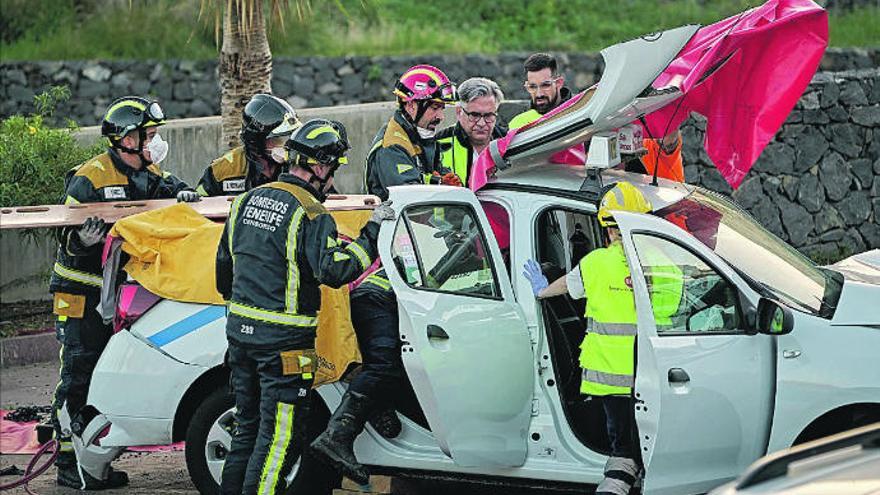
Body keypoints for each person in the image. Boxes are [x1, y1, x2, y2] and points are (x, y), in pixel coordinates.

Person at [215, 118, 394, 495]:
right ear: (320, 166)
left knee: (246, 431)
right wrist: (373, 232)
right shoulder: (311, 213)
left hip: (240, 337)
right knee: (279, 440)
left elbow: (223, 274)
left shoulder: (245, 202)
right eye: (334, 170)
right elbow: (335, 271)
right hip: (284, 345)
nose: (333, 182)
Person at [50, 96, 198, 489]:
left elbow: (172, 189)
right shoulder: (90, 177)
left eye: (154, 134)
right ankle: (68, 462)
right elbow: (63, 235)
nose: (154, 142)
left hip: (113, 293)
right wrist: (82, 240)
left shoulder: (148, 171)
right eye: (148, 135)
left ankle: (93, 457)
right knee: (77, 375)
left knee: (104, 377)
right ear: (125, 139)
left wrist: (184, 195)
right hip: (79, 293)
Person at [522, 182, 680, 495]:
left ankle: (621, 473)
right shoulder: (665, 264)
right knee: (652, 437)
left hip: (608, 376)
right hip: (654, 374)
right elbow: (676, 310)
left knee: (620, 439)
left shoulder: (595, 263)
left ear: (606, 228)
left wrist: (541, 289)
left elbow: (567, 286)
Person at [364, 64, 461, 201]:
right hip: (391, 221)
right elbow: (408, 194)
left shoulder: (418, 136)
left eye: (442, 109)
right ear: (411, 106)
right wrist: (439, 182)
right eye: (434, 108)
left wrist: (448, 178)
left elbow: (434, 171)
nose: (440, 117)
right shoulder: (392, 146)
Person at [196, 94, 301, 196]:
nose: (285, 146)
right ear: (256, 140)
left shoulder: (299, 167)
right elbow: (198, 204)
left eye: (288, 138)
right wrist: (191, 196)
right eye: (278, 140)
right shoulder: (224, 170)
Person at [436, 77, 507, 187]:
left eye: (489, 115)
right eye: (474, 115)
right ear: (459, 112)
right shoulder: (437, 145)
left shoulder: (510, 142)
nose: (482, 123)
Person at [509, 53, 574, 130]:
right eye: (532, 87)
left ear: (558, 83)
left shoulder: (579, 113)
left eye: (545, 85)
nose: (539, 94)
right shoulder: (518, 123)